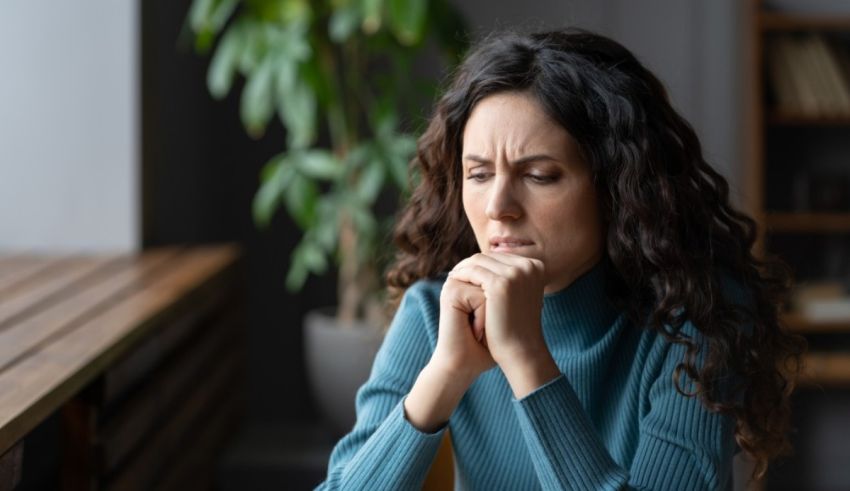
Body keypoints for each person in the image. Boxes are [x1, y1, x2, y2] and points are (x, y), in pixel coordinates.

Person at [316, 28, 804, 490]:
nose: (497, 208)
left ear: (617, 188)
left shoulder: (694, 319)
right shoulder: (434, 311)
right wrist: (444, 375)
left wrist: (527, 358)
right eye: (480, 174)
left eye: (540, 175)